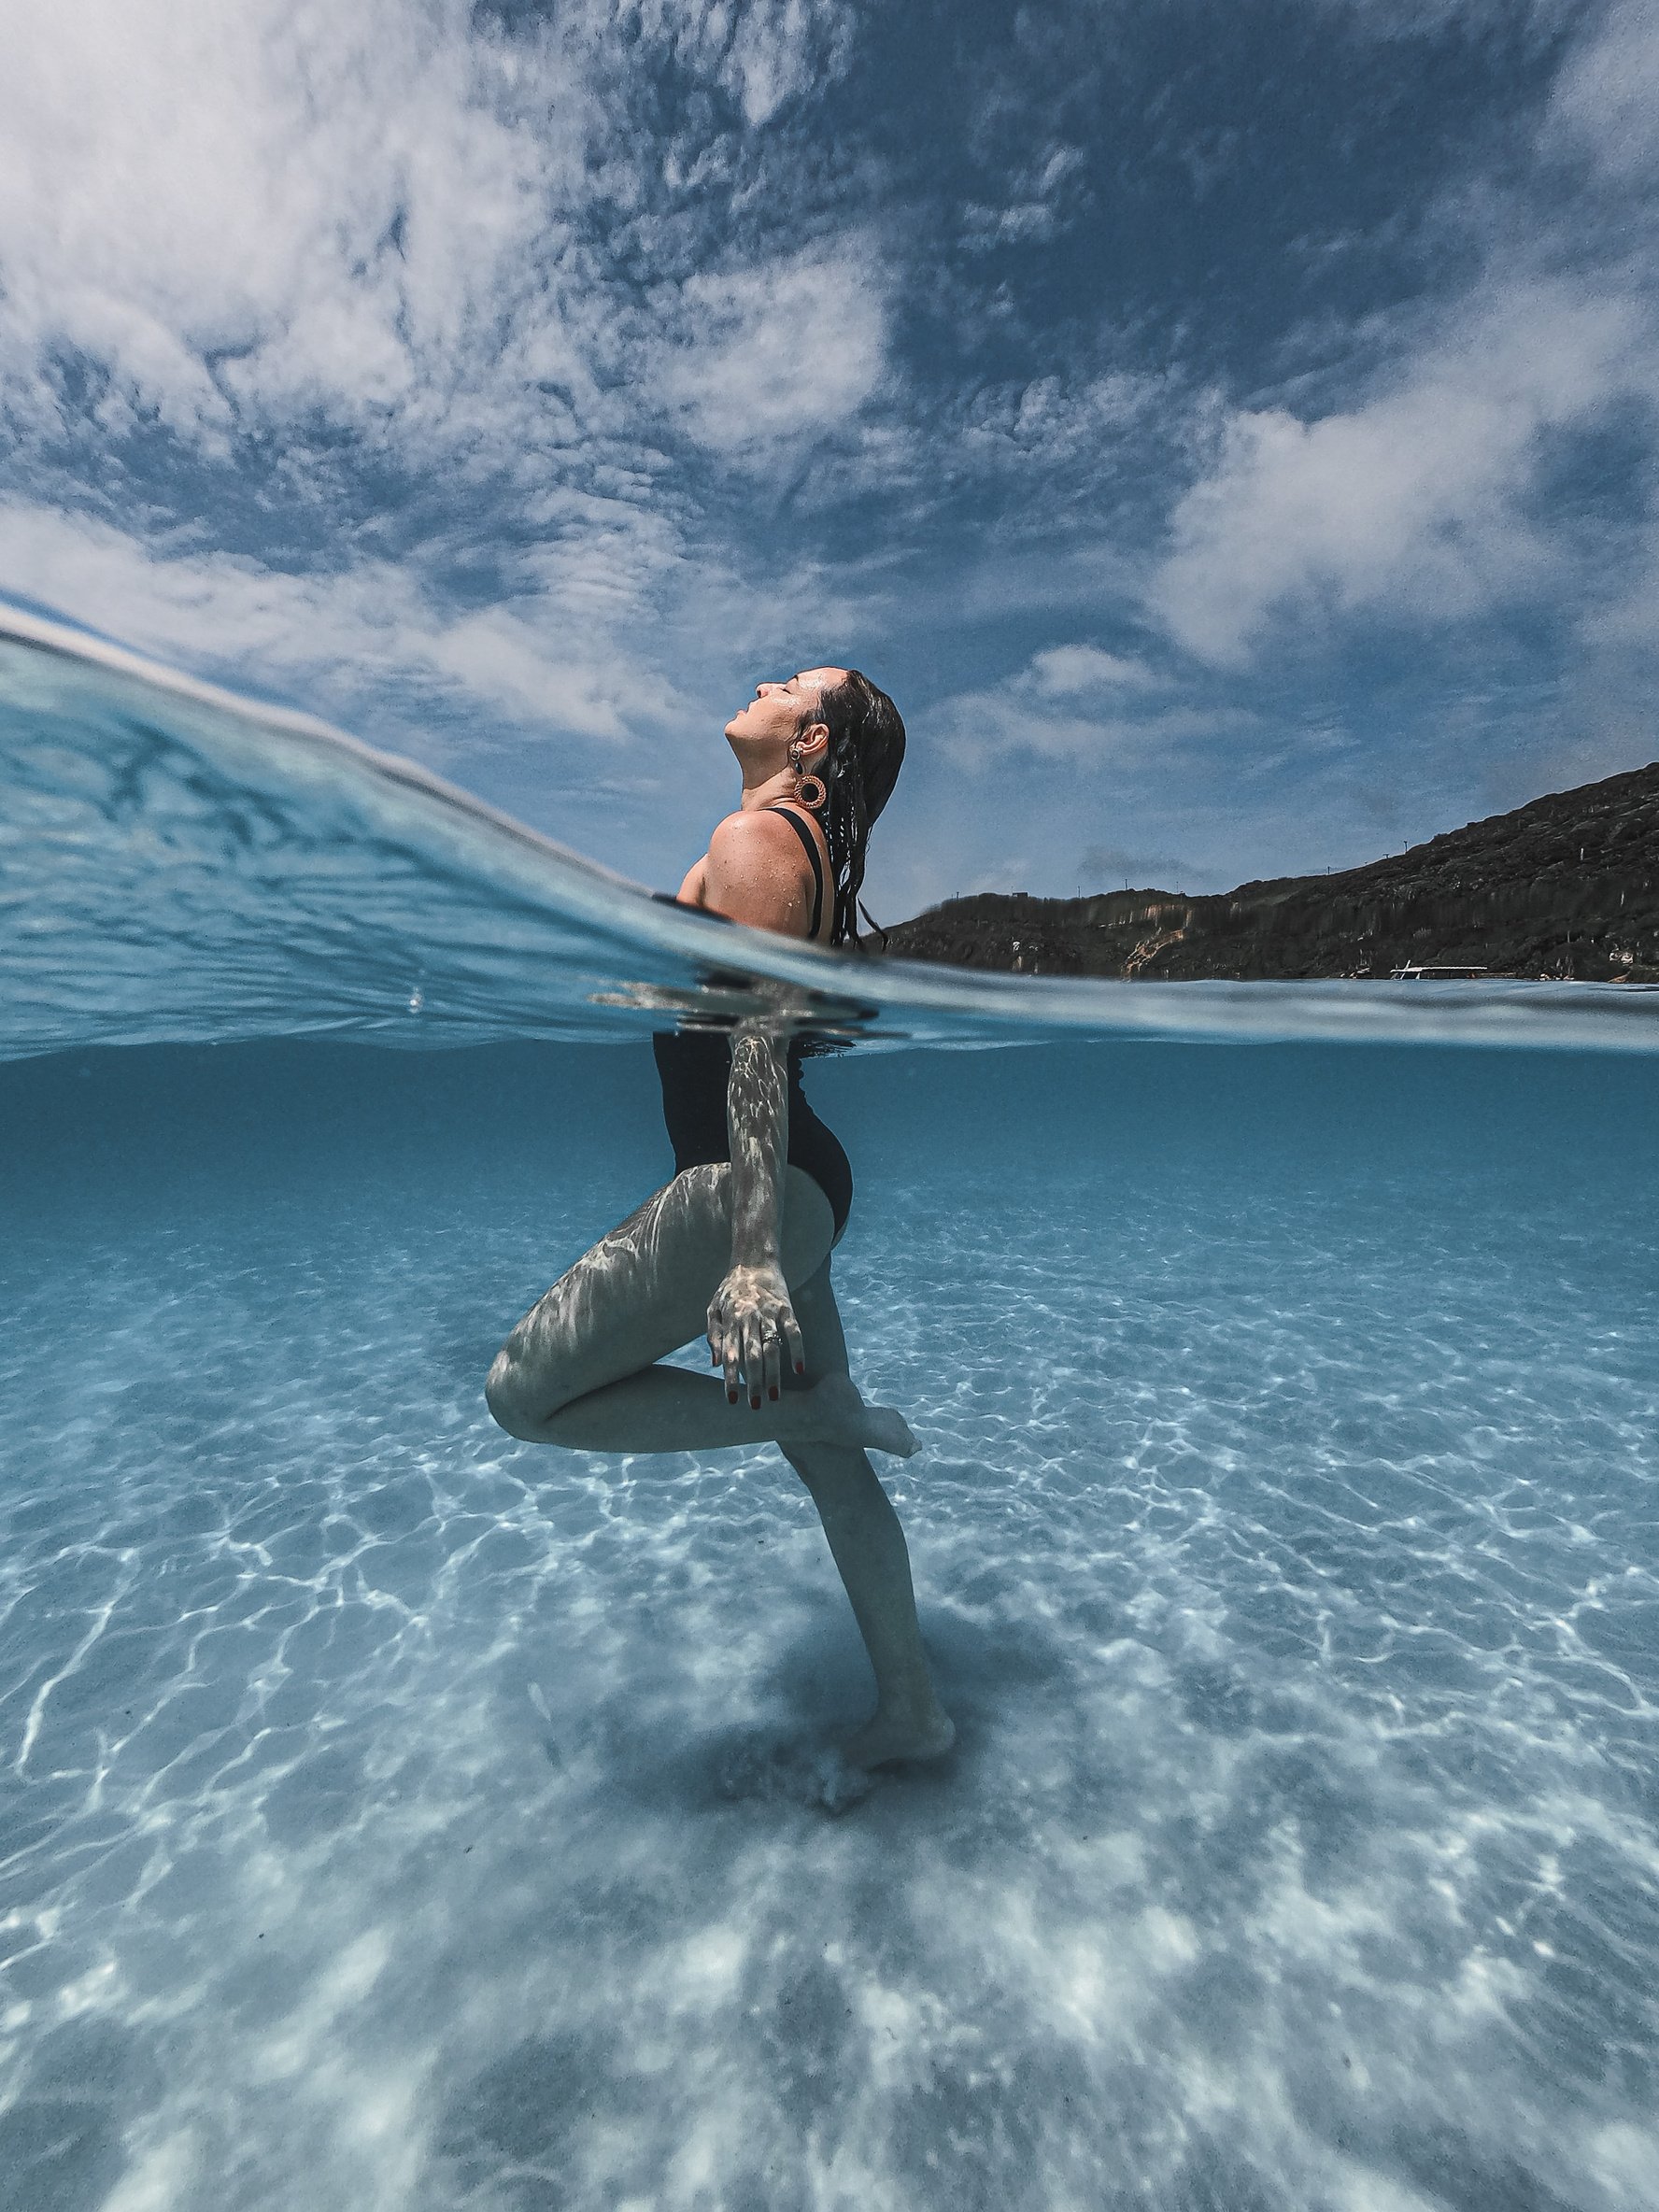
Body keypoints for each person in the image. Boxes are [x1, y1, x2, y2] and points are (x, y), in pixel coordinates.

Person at [486, 667, 954, 1770]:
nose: (764, 682)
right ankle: (914, 1713)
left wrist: (750, 1265)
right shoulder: (802, 855)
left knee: (524, 1395)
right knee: (837, 1478)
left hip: (753, 1187)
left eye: (792, 683)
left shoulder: (758, 842)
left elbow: (751, 1042)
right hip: (798, 1179)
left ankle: (825, 1413)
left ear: (813, 739)